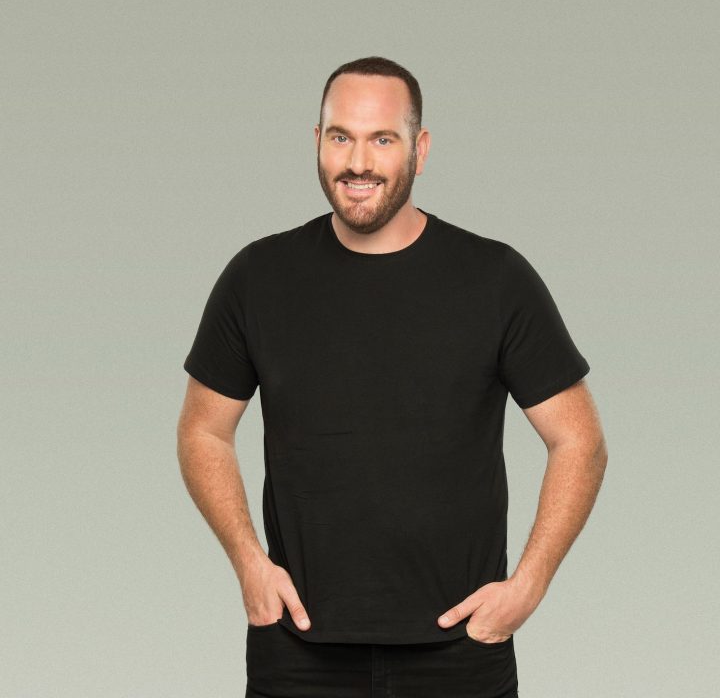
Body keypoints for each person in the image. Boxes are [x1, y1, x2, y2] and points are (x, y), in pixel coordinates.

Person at [177, 56, 608, 698]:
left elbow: (580, 440)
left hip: (460, 653)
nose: (358, 162)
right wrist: (248, 562)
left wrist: (529, 584)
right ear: (316, 141)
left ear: (420, 149)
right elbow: (203, 431)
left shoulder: (495, 279)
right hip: (296, 651)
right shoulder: (258, 277)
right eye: (340, 137)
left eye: (382, 139)